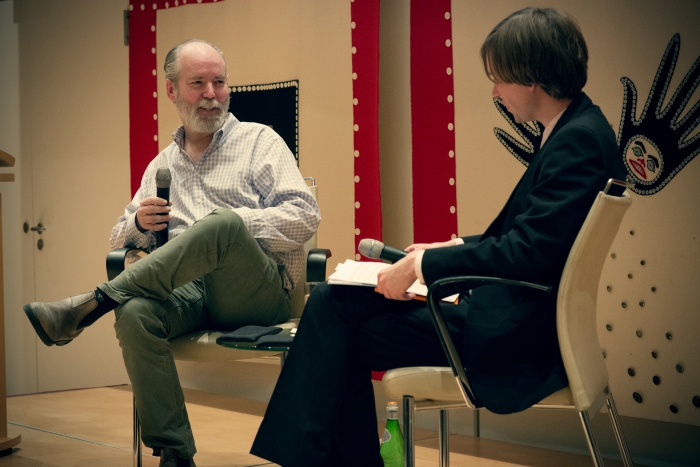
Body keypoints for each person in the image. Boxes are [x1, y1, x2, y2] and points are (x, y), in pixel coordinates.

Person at [250, 7, 625, 467]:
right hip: (509, 315)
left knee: (332, 311)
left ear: (532, 77)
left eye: (500, 79)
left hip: (513, 338)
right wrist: (450, 248)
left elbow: (527, 253)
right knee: (335, 312)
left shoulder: (578, 142)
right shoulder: (580, 128)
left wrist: (422, 266)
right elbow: (533, 238)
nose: (494, 92)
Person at [23, 39, 320, 467]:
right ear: (172, 91)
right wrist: (139, 224)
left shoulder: (261, 142)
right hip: (189, 294)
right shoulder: (162, 164)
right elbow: (117, 237)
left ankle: (92, 303)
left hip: (255, 293)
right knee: (135, 312)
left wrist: (228, 227)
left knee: (220, 225)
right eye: (197, 83)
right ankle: (175, 454)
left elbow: (305, 216)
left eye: (219, 82)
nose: (211, 94)